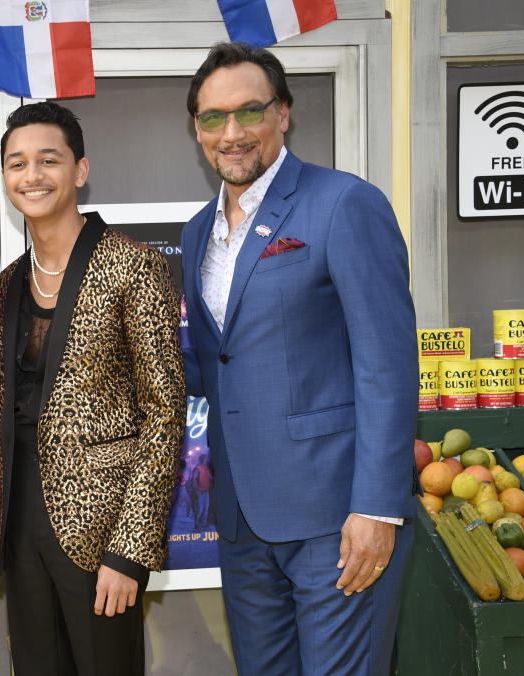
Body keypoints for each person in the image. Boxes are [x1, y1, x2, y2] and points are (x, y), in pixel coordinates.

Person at [180, 42, 419, 675]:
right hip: (242, 523)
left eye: (249, 111)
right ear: (197, 130)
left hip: (337, 520)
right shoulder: (198, 232)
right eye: (212, 118)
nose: (231, 134)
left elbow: (388, 368)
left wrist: (376, 508)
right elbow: (217, 361)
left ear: (283, 114)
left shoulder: (344, 204)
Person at [0, 101, 185, 675]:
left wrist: (131, 549)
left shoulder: (135, 267)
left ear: (80, 170)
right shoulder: (2, 289)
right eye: (16, 164)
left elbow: (164, 415)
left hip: (103, 529)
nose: (32, 175)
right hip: (18, 521)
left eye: (49, 160)